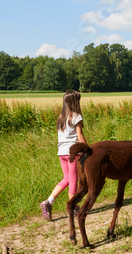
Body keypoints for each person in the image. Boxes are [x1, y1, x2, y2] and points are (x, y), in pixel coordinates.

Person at [40, 90, 87, 221]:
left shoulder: (61, 118)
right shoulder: (77, 116)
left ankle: (49, 201)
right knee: (73, 180)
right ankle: (72, 207)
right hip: (72, 152)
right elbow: (80, 135)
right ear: (74, 103)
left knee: (67, 178)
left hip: (61, 152)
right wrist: (87, 148)